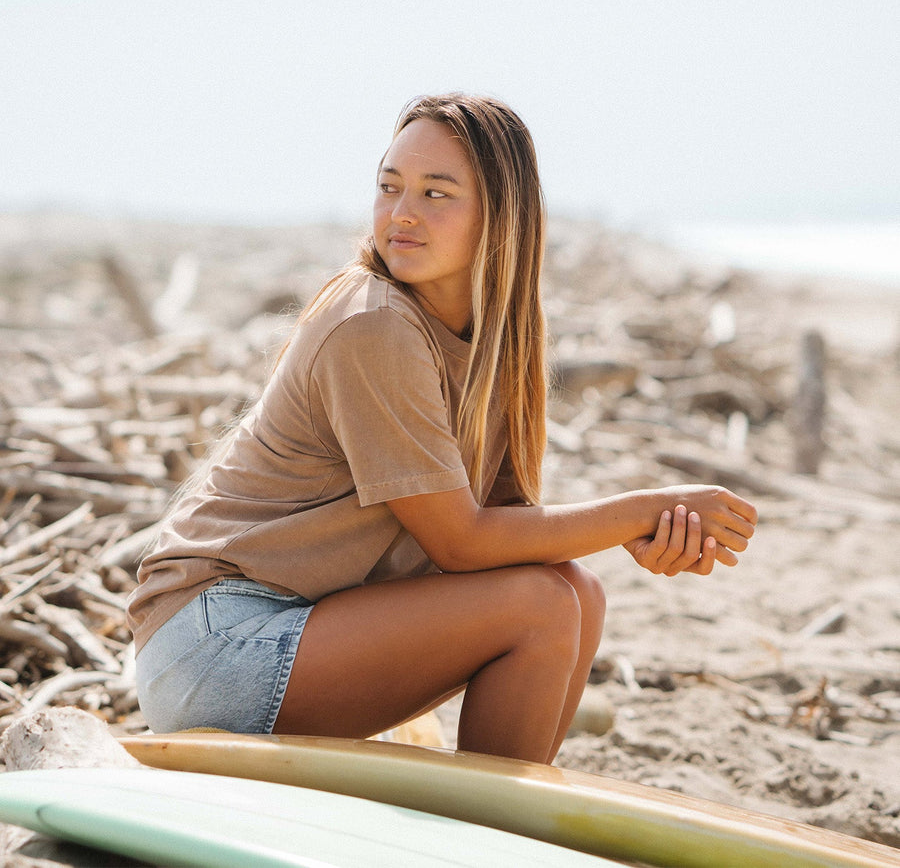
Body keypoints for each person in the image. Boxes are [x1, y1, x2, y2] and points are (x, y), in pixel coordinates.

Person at [127, 93, 757, 765]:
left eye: (436, 193)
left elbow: (509, 529)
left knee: (578, 592)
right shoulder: (373, 322)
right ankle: (486, 835)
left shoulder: (495, 342)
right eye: (390, 186)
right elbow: (461, 543)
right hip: (213, 639)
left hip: (291, 626)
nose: (402, 212)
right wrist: (637, 512)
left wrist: (641, 536)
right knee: (540, 605)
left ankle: (499, 814)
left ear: (500, 217)